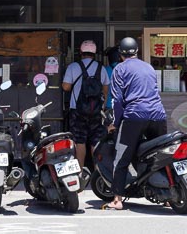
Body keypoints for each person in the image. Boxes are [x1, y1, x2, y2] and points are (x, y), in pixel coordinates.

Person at [107, 36, 167, 210]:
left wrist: (115, 123)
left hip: (134, 116)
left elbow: (117, 100)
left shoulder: (120, 69)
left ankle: (117, 199)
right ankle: (169, 192)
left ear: (120, 54)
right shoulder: (148, 67)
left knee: (121, 157)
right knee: (162, 154)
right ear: (137, 52)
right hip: (158, 115)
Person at [62, 40, 110, 171]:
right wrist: (103, 106)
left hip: (77, 111)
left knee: (79, 141)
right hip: (95, 111)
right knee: (96, 141)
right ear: (94, 54)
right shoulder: (101, 68)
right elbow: (106, 89)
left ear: (81, 53)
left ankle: (80, 171)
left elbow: (66, 87)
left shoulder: (73, 67)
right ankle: (98, 173)